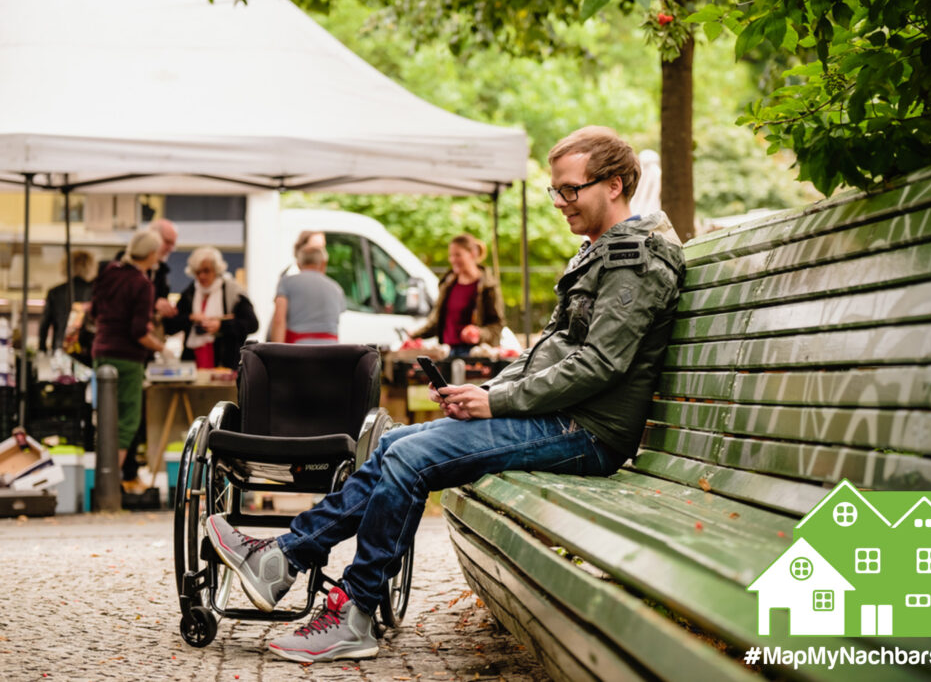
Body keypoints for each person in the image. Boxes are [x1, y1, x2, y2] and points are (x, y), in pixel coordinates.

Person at [205, 126, 685, 664]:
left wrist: (497, 403)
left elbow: (600, 365)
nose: (559, 203)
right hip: (559, 415)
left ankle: (352, 609)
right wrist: (483, 390)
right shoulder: (601, 252)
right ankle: (283, 561)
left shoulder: (635, 260)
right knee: (394, 444)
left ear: (614, 185)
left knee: (410, 456)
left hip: (586, 431)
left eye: (570, 190)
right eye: (556, 190)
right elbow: (549, 353)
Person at [90, 231, 167, 493]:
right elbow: (138, 332)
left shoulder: (110, 271)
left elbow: (93, 312)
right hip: (127, 358)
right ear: (151, 254)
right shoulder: (142, 283)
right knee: (127, 421)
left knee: (105, 418)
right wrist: (161, 346)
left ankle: (102, 483)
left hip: (100, 352)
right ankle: (109, 488)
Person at [408, 234, 505, 357]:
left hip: (474, 355)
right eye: (451, 255)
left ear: (472, 254)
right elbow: (437, 321)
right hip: (446, 353)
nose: (452, 259)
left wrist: (478, 334)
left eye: (458, 255)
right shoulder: (448, 284)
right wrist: (414, 335)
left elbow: (497, 325)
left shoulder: (487, 286)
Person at [163, 247, 258, 370]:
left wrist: (221, 325)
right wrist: (191, 318)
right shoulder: (190, 293)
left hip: (227, 365)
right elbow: (169, 326)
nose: (202, 276)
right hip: (194, 364)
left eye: (206, 271)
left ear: (216, 270)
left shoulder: (233, 292)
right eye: (197, 272)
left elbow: (252, 324)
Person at [269, 245, 347, 344]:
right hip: (331, 351)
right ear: (323, 264)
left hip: (298, 349)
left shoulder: (287, 282)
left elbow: (279, 320)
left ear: (298, 264)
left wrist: (276, 351)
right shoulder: (337, 288)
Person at [38, 250, 96, 355]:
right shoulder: (95, 292)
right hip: (87, 349)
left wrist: (42, 348)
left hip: (60, 347)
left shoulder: (55, 292)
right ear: (90, 266)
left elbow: (44, 324)